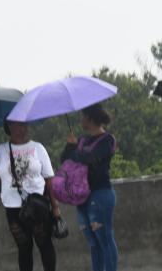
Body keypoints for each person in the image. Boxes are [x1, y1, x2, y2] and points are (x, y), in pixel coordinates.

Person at [0, 121, 60, 271]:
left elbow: (49, 179)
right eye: (16, 125)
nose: (21, 128)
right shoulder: (1, 151)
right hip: (13, 208)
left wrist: (55, 206)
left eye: (23, 125)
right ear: (8, 128)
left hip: (38, 205)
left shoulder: (38, 148)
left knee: (45, 245)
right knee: (24, 249)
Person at [61, 104, 118, 271]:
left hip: (100, 194)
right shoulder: (82, 140)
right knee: (93, 242)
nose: (81, 120)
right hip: (82, 196)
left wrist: (75, 152)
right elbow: (65, 160)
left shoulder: (107, 140)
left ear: (90, 118)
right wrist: (70, 146)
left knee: (104, 238)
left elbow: (92, 159)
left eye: (82, 116)